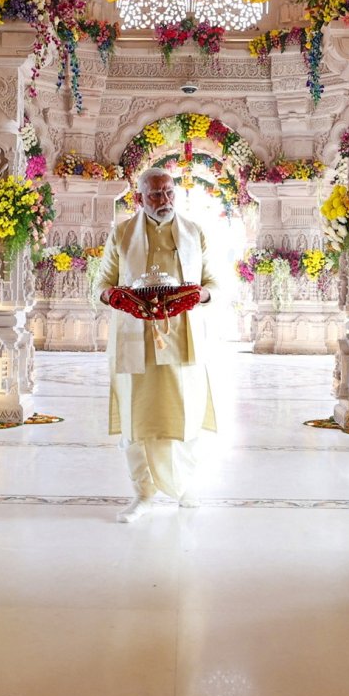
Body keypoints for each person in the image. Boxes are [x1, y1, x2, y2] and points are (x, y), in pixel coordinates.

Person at [98, 167, 219, 522]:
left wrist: (201, 294)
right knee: (136, 417)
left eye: (169, 193)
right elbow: (101, 284)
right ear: (140, 197)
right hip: (135, 339)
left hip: (182, 337)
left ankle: (186, 484)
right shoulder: (121, 234)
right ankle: (143, 494)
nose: (164, 200)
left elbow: (215, 282)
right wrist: (115, 297)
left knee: (186, 411)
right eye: (155, 194)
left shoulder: (194, 233)